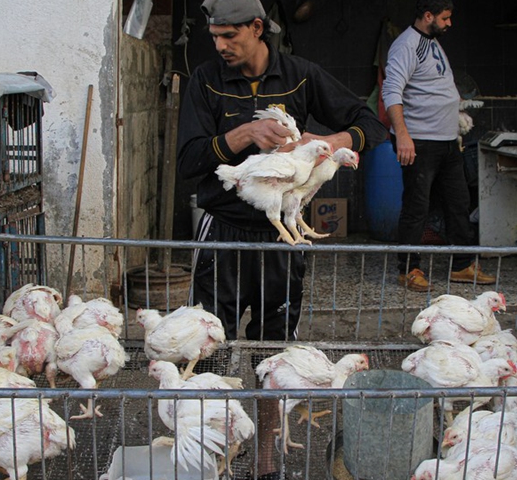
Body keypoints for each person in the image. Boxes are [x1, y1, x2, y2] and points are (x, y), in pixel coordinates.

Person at [176, 0, 386, 477]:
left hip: (282, 238)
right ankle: (211, 454)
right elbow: (189, 163)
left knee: (274, 354)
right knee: (209, 344)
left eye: (230, 35)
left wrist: (324, 144)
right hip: (222, 232)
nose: (220, 45)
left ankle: (267, 460)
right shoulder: (205, 81)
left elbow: (370, 125)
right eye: (214, 36)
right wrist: (247, 132)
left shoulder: (301, 76)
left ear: (257, 28)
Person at [381, 0, 495, 291]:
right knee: (416, 206)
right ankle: (408, 269)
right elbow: (391, 90)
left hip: (446, 141)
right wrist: (403, 135)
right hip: (419, 141)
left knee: (458, 203)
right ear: (427, 16)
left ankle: (462, 265)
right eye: (445, 18)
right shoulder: (407, 45)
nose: (449, 23)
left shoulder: (432, 42)